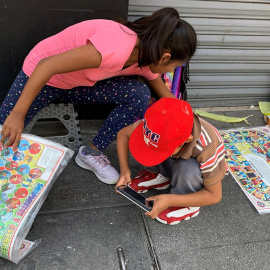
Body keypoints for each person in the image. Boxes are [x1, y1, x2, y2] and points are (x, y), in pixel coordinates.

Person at [0, 8, 197, 185]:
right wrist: (18, 114)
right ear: (165, 57)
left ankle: (91, 154)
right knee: (4, 130)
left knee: (139, 94)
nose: (172, 70)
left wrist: (192, 126)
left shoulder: (145, 57)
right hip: (41, 77)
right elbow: (46, 65)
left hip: (77, 85)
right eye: (174, 66)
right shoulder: (117, 47)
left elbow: (169, 101)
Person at [115, 98, 227, 225]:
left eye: (162, 151)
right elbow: (123, 134)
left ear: (188, 139)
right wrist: (124, 170)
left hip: (196, 168)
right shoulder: (156, 123)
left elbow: (215, 195)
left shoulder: (207, 147)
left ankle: (187, 203)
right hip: (175, 157)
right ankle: (161, 175)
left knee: (188, 167)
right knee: (145, 145)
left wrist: (171, 200)